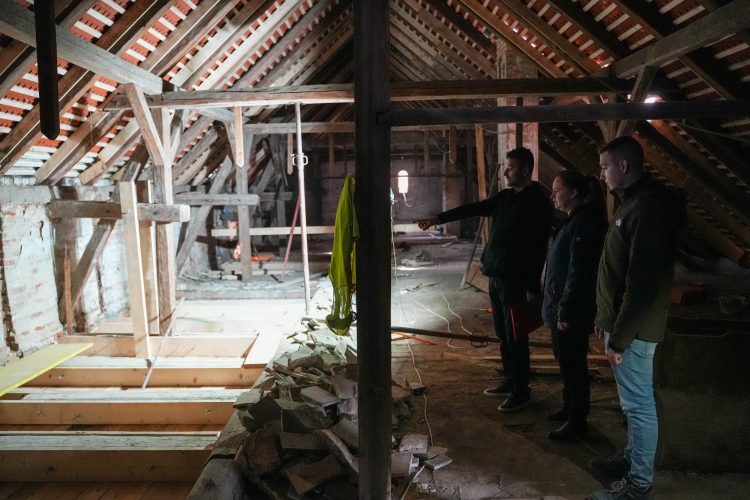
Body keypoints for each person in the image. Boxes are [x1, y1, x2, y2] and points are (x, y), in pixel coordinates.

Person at [414, 147, 553, 413]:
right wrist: (437, 218)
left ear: (525, 171)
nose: (505, 172)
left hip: (516, 280)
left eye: (510, 168)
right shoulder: (505, 197)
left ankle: (521, 391)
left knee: (516, 335)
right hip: (497, 275)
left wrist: (532, 288)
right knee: (502, 333)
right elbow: (475, 208)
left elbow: (538, 250)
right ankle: (509, 380)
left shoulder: (538, 203)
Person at [587, 137, 686, 500]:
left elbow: (641, 285)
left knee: (639, 406)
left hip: (635, 331)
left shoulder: (646, 208)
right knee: (633, 404)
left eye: (605, 167)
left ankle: (639, 485)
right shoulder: (633, 203)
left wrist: (620, 337)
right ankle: (632, 457)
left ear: (624, 166)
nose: (601, 174)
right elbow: (617, 272)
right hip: (624, 326)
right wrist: (605, 317)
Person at [543, 170, 607, 441]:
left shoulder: (584, 223)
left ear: (574, 193)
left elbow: (578, 272)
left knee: (574, 366)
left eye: (557, 191)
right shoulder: (571, 220)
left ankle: (577, 420)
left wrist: (566, 310)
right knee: (565, 361)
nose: (552, 196)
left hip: (570, 309)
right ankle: (569, 407)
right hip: (559, 305)